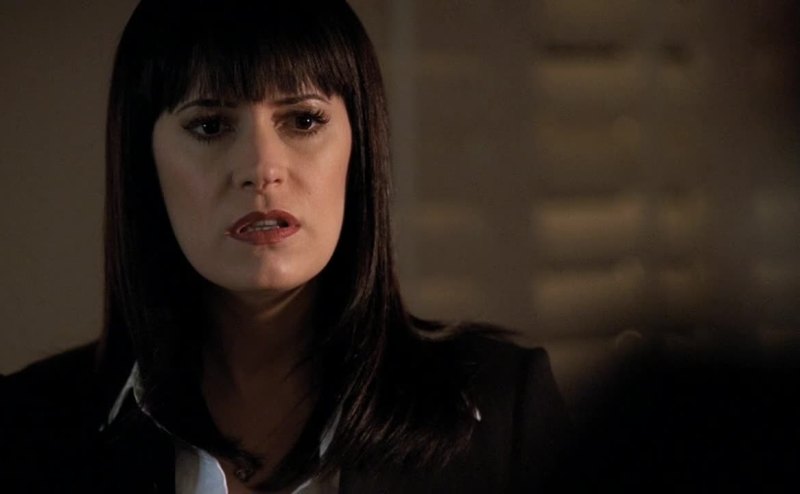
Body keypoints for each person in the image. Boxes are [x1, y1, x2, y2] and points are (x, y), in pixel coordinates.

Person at [0, 1, 570, 492]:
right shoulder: (26, 429)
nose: (262, 168)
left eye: (302, 120)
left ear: (359, 147)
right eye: (210, 126)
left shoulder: (502, 414)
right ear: (144, 163)